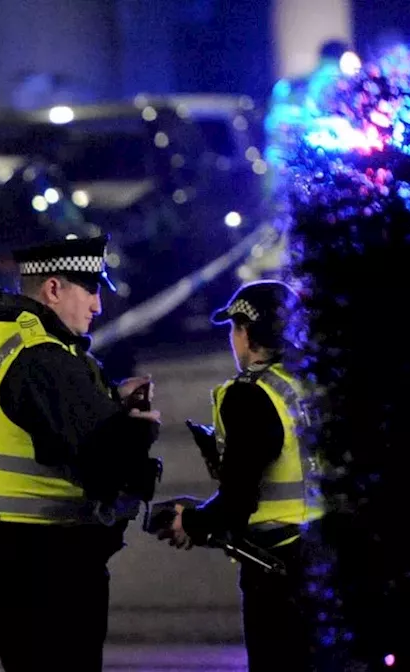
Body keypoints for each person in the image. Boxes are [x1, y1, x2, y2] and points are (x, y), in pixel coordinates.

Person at [0, 235, 163, 671]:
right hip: (52, 567)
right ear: (53, 288)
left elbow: (31, 420)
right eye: (91, 290)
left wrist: (105, 398)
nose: (98, 306)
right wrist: (137, 429)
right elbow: (103, 462)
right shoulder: (44, 357)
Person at [165, 279, 325, 670]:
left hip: (276, 569)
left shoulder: (250, 395)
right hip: (323, 558)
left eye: (233, 329)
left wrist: (192, 521)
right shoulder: (306, 385)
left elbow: (238, 497)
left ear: (245, 332)